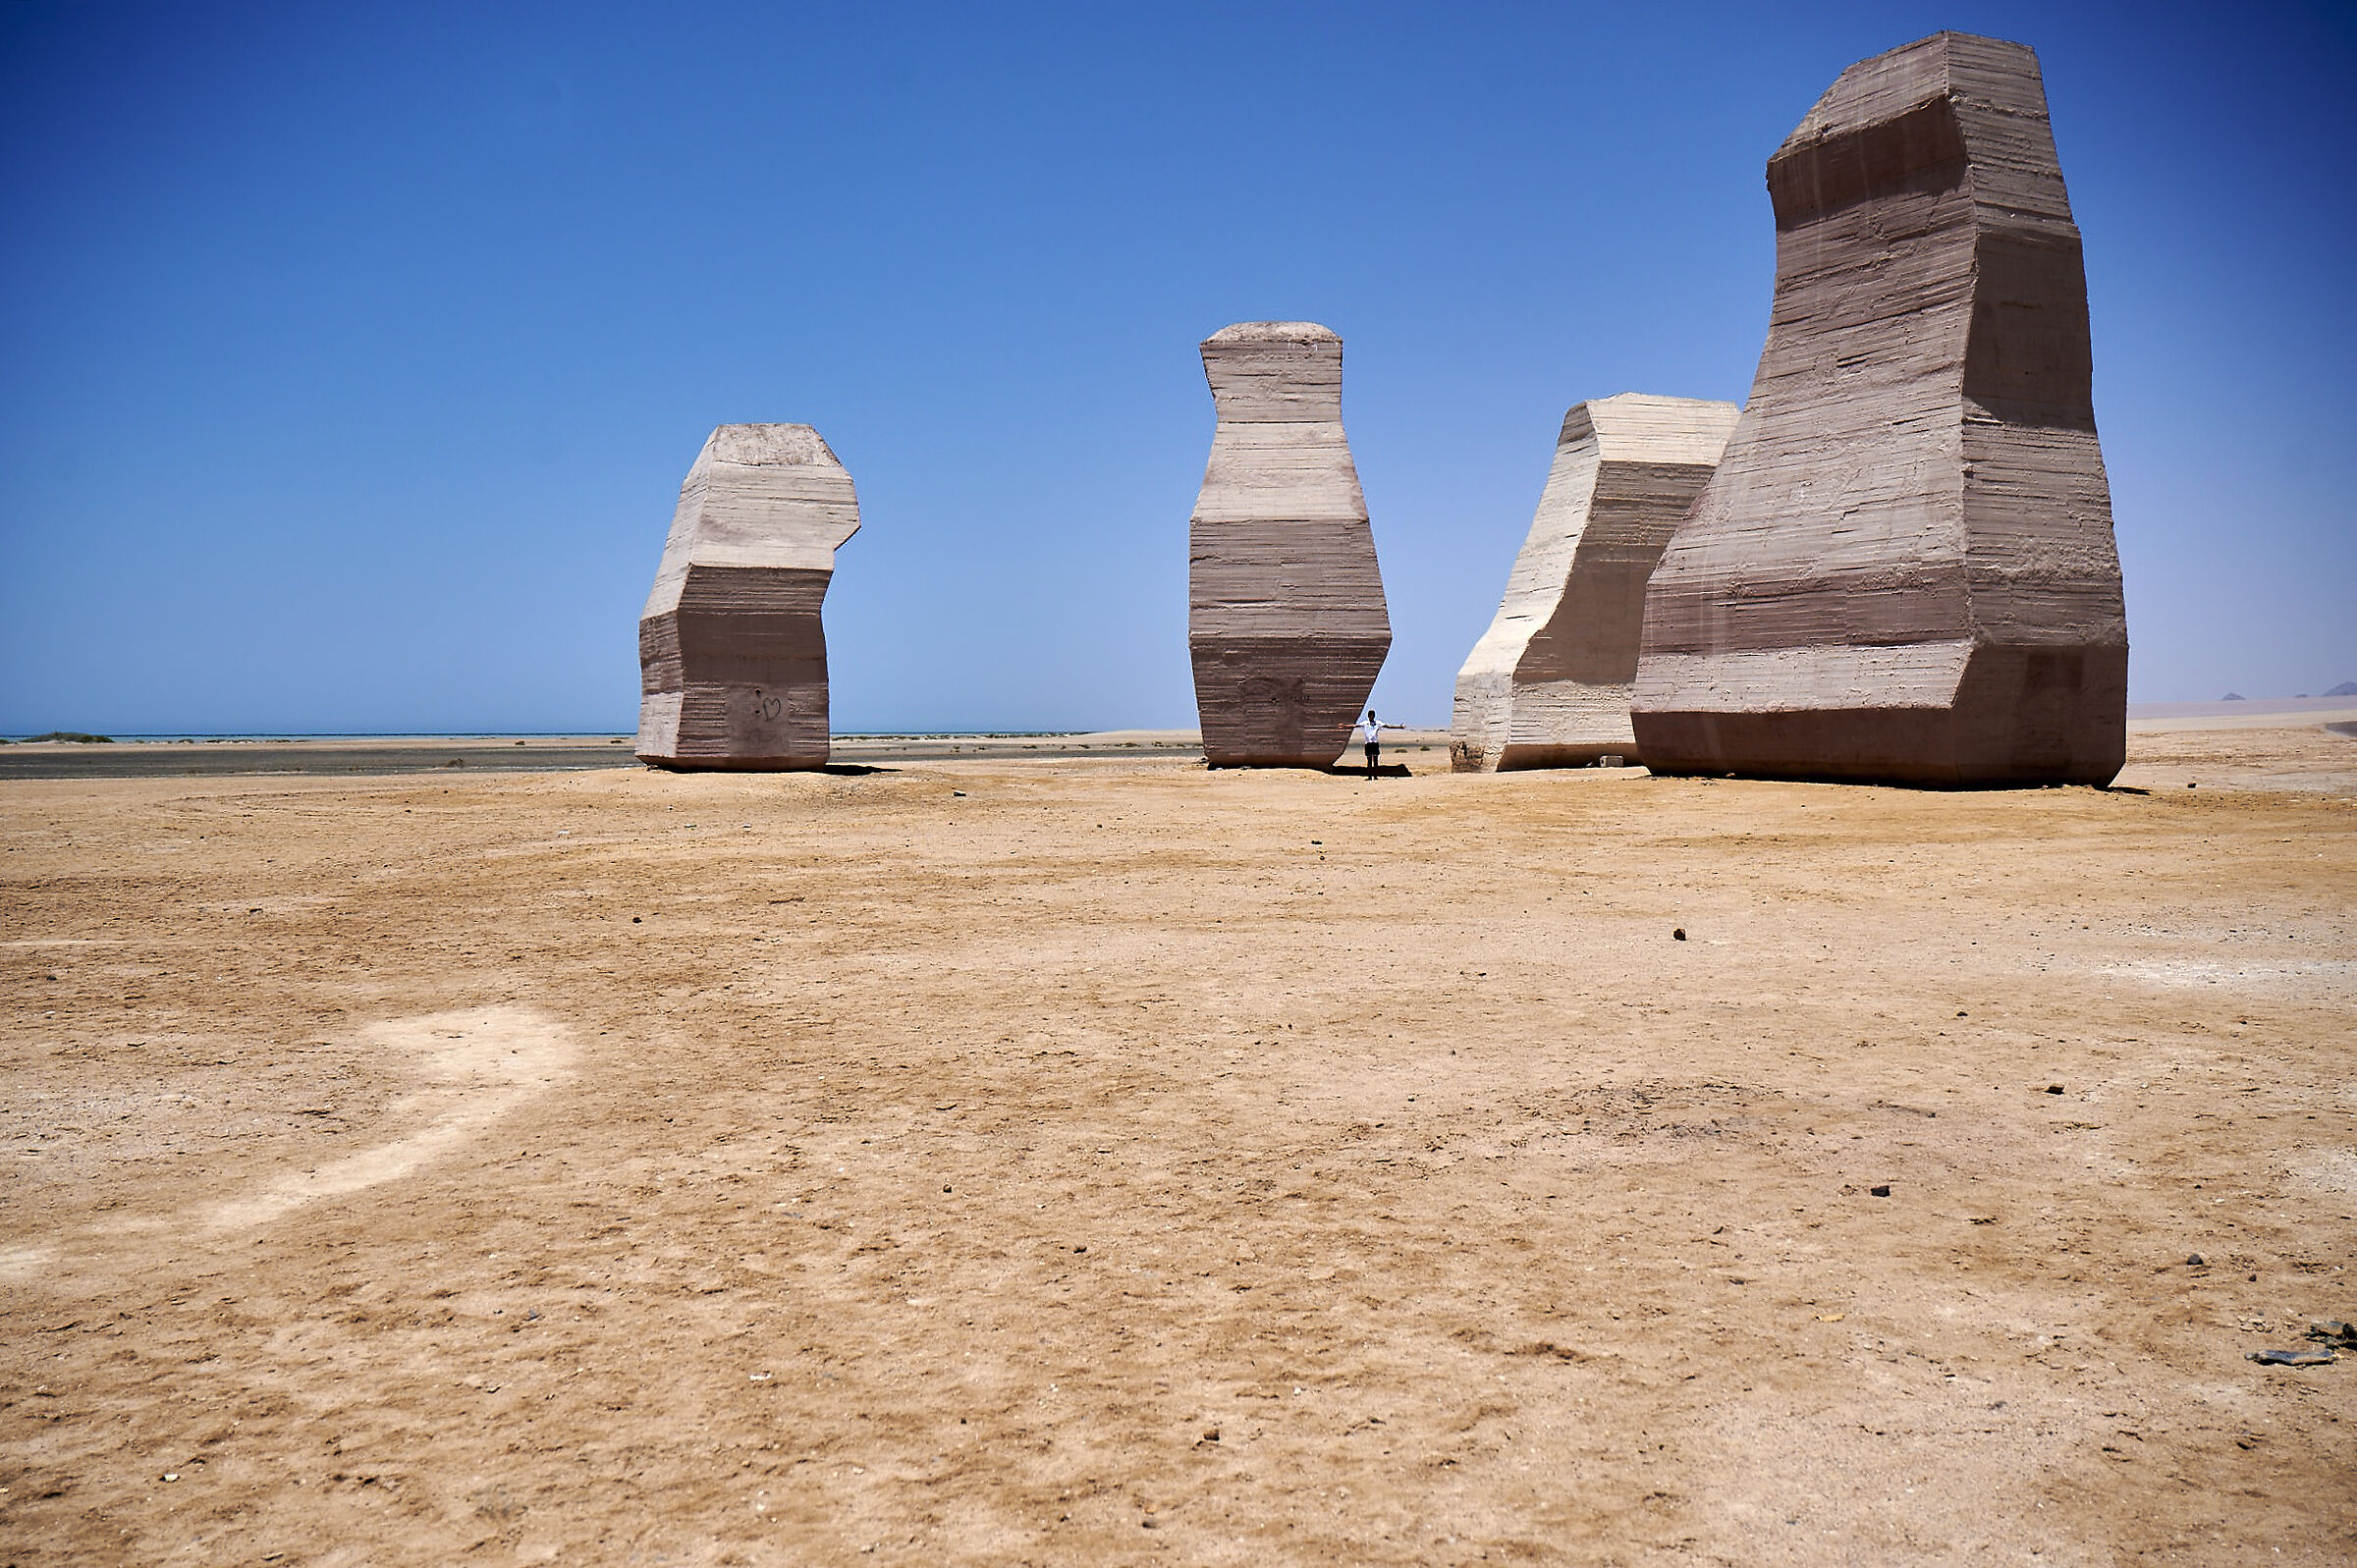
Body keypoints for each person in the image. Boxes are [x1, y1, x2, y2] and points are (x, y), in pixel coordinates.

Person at [1357, 710, 1403, 779]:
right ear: (1368, 716)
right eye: (1370, 716)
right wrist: (1344, 726)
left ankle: (1375, 776)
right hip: (1368, 744)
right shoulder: (1365, 723)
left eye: (1373, 716)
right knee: (1369, 761)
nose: (1371, 717)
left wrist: (1399, 727)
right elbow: (1355, 726)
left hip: (1375, 743)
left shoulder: (1378, 723)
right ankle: (1369, 776)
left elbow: (1388, 726)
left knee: (1375, 760)